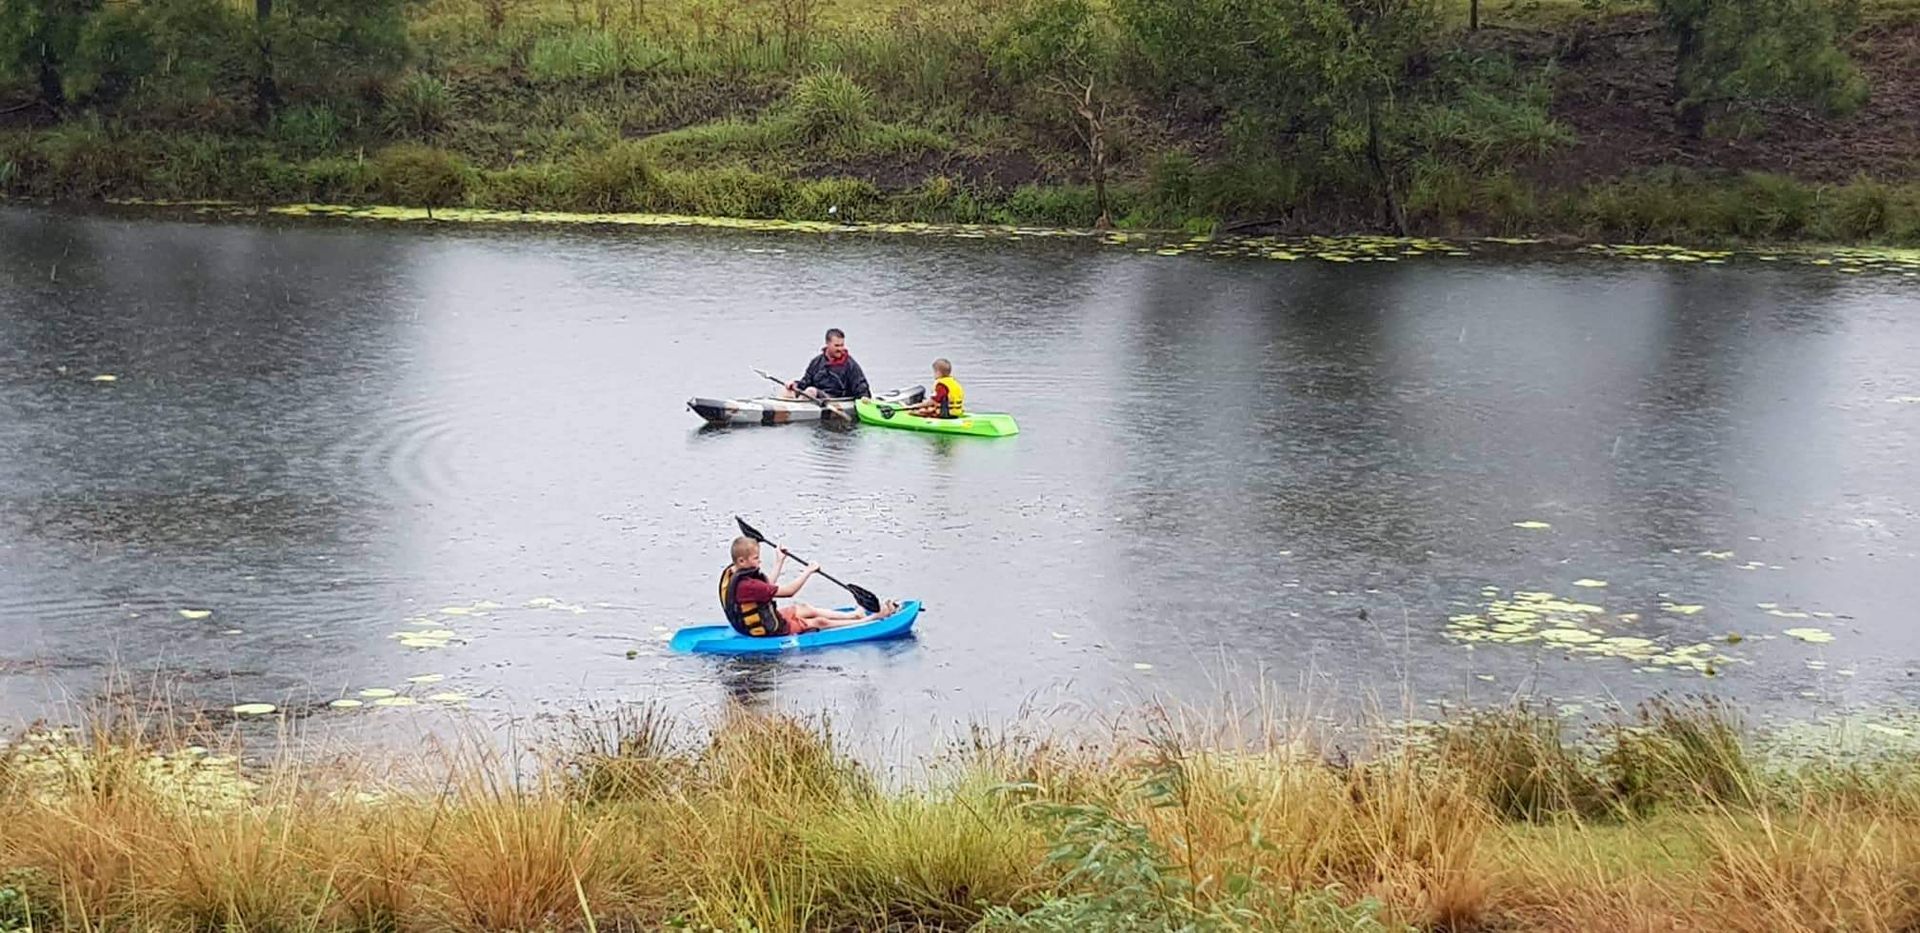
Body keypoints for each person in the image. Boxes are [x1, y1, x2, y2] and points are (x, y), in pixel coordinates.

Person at [718, 536, 891, 636]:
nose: (760, 560)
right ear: (742, 560)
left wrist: (780, 560)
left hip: (762, 619)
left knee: (805, 608)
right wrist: (809, 571)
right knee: (818, 621)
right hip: (766, 630)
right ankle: (870, 620)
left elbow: (767, 586)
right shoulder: (747, 585)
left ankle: (854, 616)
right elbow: (789, 592)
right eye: (756, 558)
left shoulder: (733, 571)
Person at [784, 328, 871, 401]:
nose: (841, 349)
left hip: (835, 399)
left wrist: (864, 397)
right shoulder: (816, 362)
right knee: (788, 390)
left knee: (811, 391)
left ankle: (798, 411)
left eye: (842, 345)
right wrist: (794, 385)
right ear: (827, 344)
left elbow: (861, 386)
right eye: (837, 346)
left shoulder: (850, 364)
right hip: (816, 398)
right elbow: (805, 383)